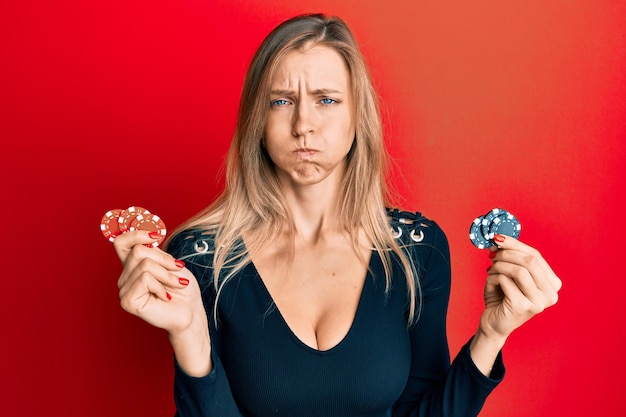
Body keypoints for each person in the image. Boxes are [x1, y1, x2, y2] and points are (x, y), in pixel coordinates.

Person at [113, 13, 562, 417]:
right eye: (281, 101)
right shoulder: (200, 256)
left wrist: (492, 335)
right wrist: (189, 333)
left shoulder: (415, 250)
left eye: (327, 100)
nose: (303, 123)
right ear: (257, 121)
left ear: (357, 117)